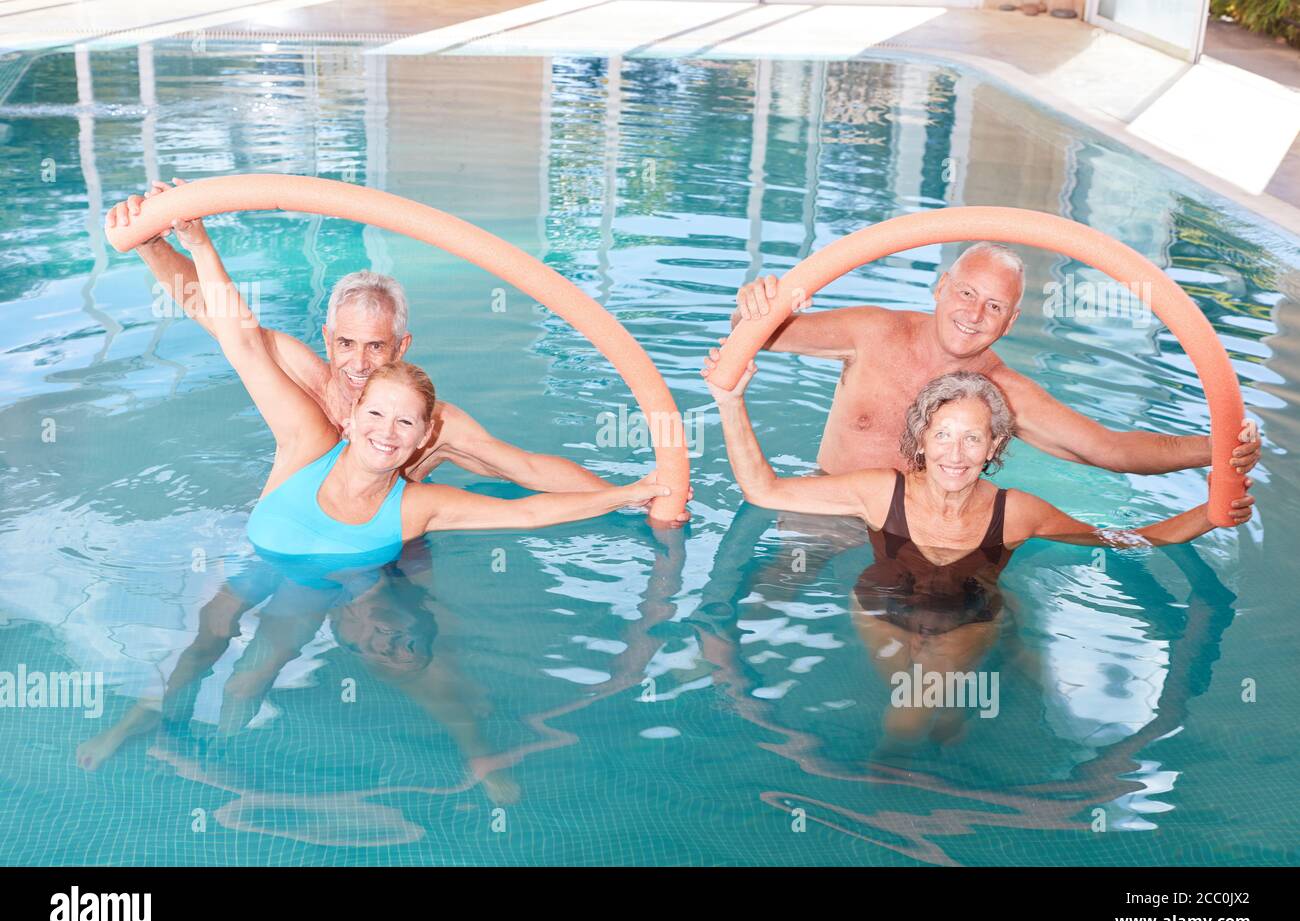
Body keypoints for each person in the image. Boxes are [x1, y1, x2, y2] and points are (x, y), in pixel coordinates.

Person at [705, 363, 1255, 740]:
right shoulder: (878, 490)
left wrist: (1205, 516)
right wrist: (730, 403)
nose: (955, 453)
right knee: (926, 709)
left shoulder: (1017, 512)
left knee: (905, 722)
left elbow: (1117, 540)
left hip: (971, 617)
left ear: (994, 447)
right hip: (881, 609)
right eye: (943, 435)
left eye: (973, 439)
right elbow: (765, 490)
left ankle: (885, 788)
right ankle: (945, 736)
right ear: (920, 438)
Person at [108, 177, 690, 520]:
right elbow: (219, 317)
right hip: (303, 528)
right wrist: (150, 241)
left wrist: (636, 498)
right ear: (327, 340)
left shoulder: (432, 425)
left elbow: (528, 470)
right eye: (346, 344)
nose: (359, 364)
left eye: (376, 347)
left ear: (403, 345)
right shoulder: (303, 379)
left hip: (392, 554)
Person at [731, 242, 1261, 488]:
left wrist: (1217, 448)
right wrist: (753, 303)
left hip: (923, 531)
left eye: (994, 306)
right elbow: (759, 336)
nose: (973, 314)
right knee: (766, 597)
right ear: (940, 288)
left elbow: (1111, 450)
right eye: (965, 292)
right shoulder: (872, 332)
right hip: (828, 506)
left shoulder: (1002, 391)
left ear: (1009, 322)